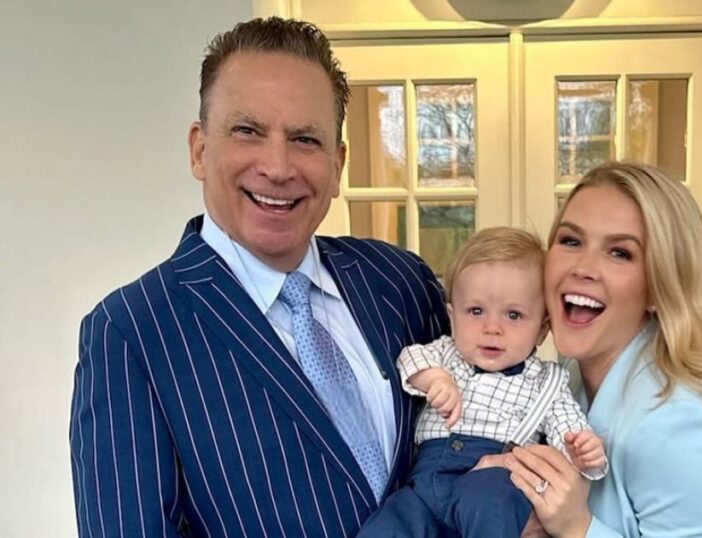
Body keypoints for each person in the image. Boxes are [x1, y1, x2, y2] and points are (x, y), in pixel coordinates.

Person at [69, 17, 449, 537]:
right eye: (248, 131)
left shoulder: (401, 283)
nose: (277, 166)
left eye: (305, 139)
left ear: (336, 165)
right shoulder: (132, 332)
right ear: (200, 150)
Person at [504, 161, 702, 538]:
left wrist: (577, 529)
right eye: (571, 241)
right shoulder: (569, 380)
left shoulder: (677, 425)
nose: (583, 267)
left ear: (659, 285)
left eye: (620, 252)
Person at [359, 227, 607, 538]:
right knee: (390, 523)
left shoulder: (547, 382)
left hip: (493, 479)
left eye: (513, 315)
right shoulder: (446, 354)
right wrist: (433, 378)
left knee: (490, 502)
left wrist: (583, 450)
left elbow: (568, 429)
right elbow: (409, 359)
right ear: (452, 316)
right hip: (424, 484)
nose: (492, 328)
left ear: (542, 329)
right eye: (476, 311)